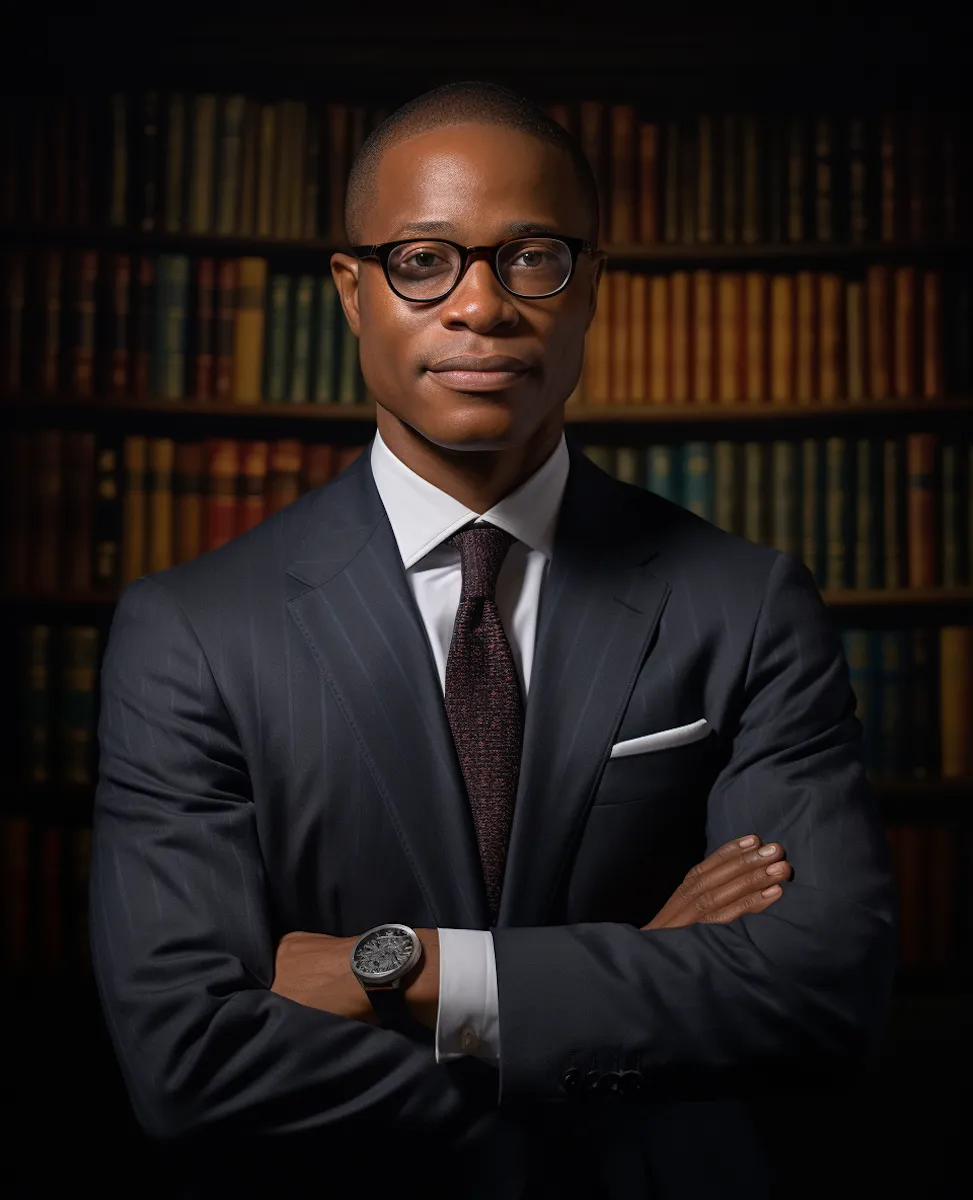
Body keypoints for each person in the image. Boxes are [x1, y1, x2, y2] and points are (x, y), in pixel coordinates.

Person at [89, 80, 898, 1199]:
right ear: (351, 292)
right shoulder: (190, 630)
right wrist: (633, 986)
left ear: (589, 288)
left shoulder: (745, 601)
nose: (480, 306)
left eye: (531, 257)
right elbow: (186, 1063)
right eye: (423, 260)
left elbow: (818, 998)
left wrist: (412, 970)